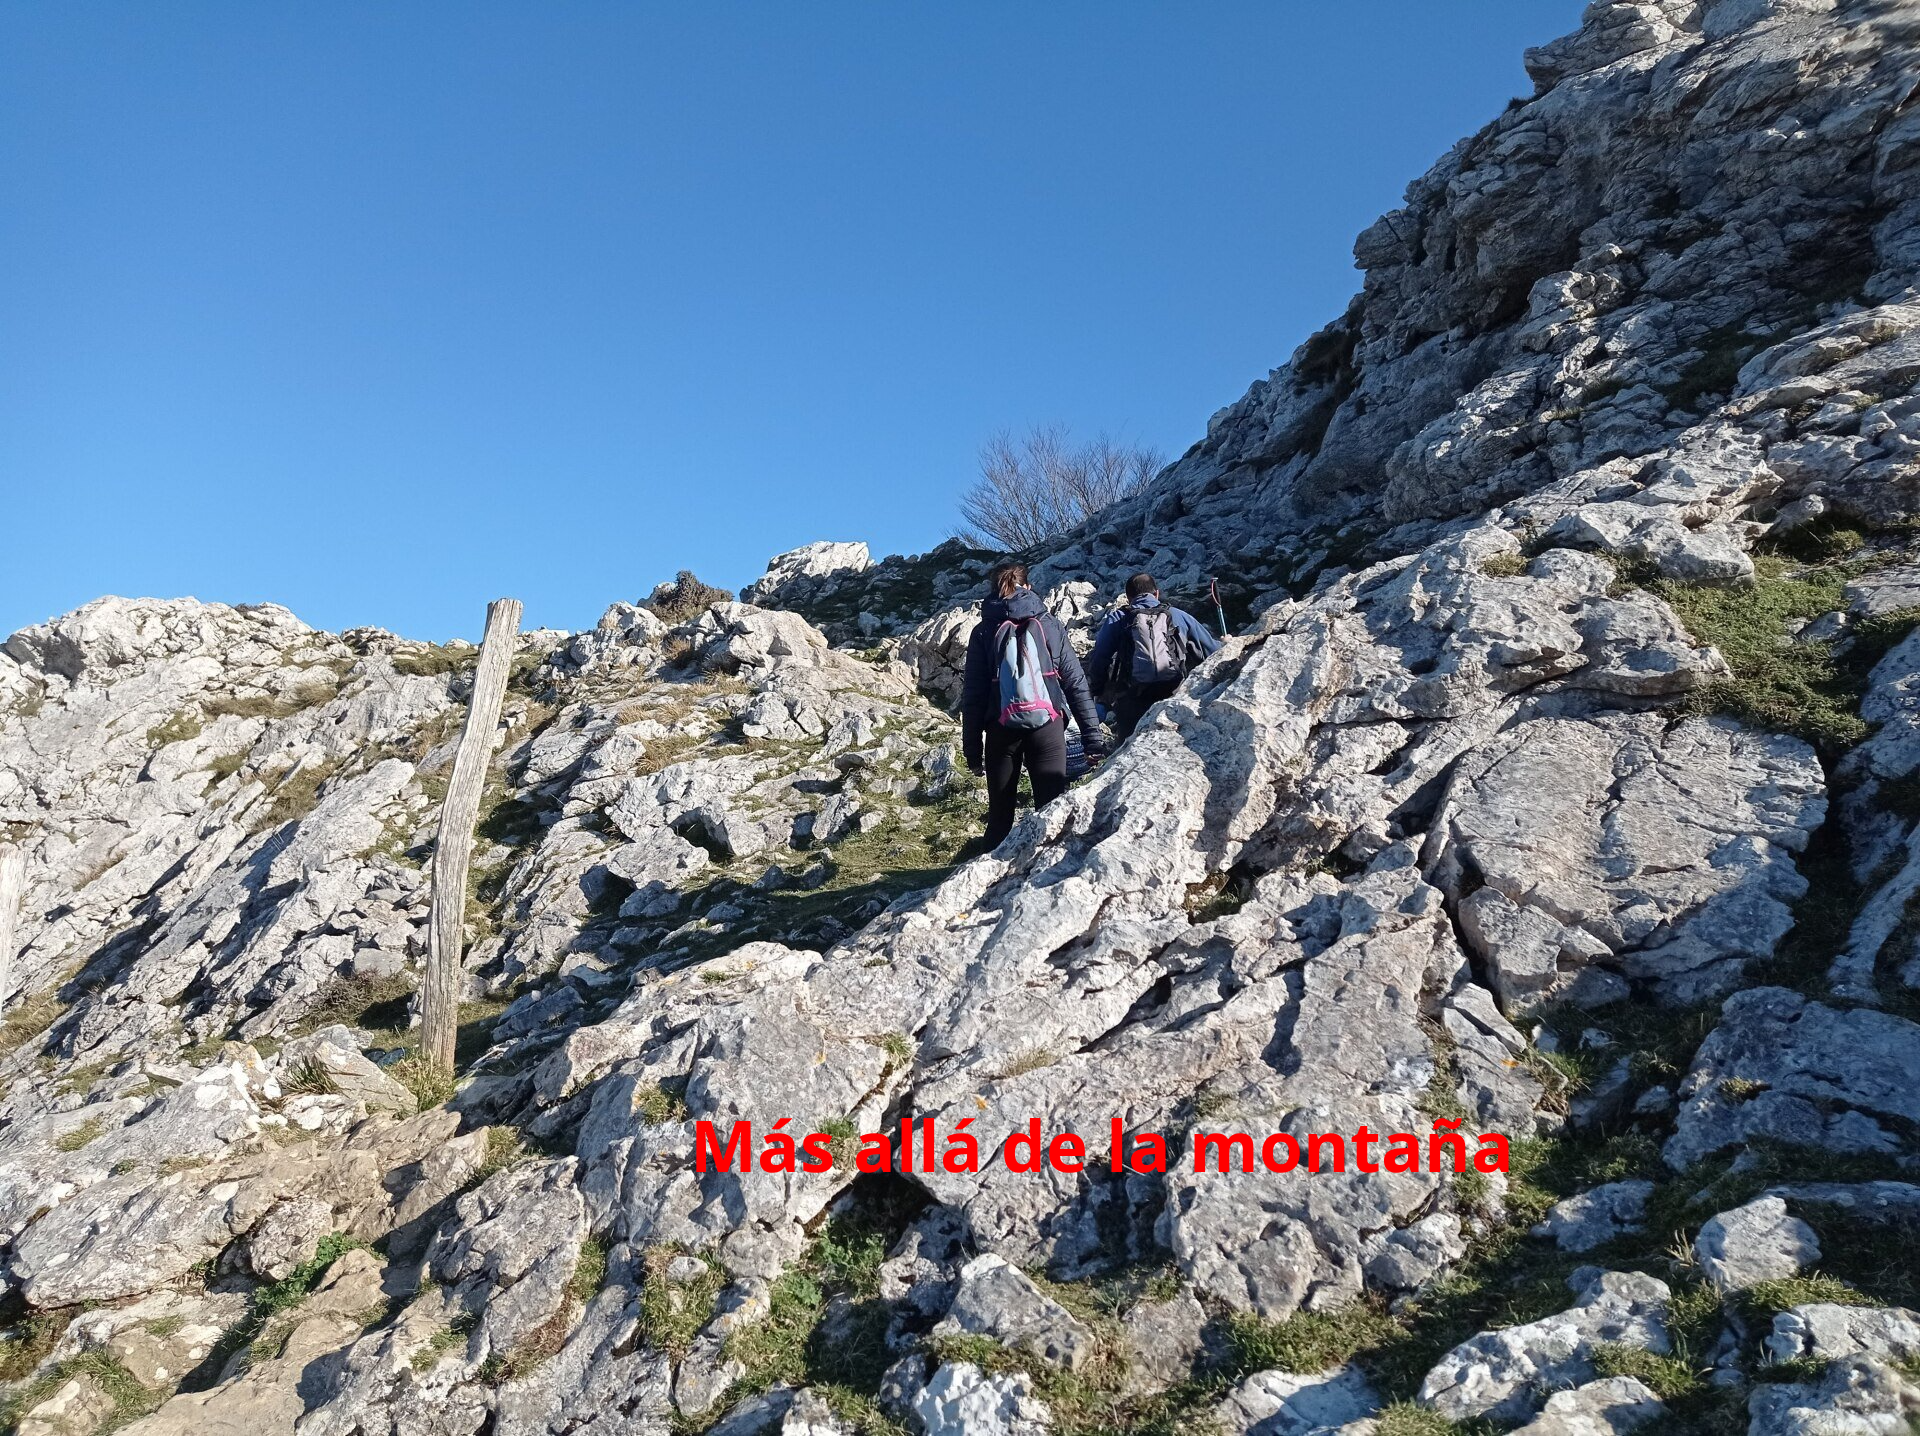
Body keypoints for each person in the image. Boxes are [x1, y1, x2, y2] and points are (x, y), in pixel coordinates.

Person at [960, 563, 1105, 848]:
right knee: (1050, 813)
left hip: (1001, 729)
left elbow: (973, 695)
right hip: (1047, 726)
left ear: (993, 590)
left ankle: (989, 882)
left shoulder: (982, 630)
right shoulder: (1049, 624)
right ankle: (1046, 873)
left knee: (1000, 818)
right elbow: (1076, 684)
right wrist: (1093, 739)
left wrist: (973, 752)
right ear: (1028, 587)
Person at [1086, 572, 1221, 742]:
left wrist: (1098, 691)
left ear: (1129, 598)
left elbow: (1100, 658)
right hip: (1173, 693)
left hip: (1132, 698)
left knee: (1127, 749)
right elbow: (1211, 651)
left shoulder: (1118, 618)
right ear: (1156, 593)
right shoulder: (1177, 615)